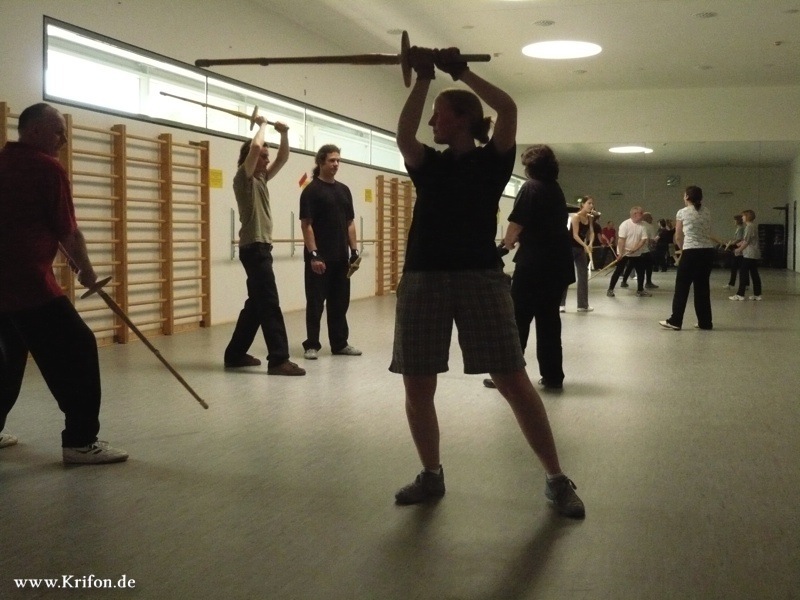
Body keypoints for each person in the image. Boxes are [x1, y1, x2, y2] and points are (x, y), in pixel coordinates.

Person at [389, 46, 584, 518]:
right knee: (418, 385)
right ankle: (431, 473)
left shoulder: (493, 161)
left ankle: (557, 479)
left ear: (461, 119)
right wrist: (423, 78)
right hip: (423, 278)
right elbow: (404, 135)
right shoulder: (429, 164)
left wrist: (461, 71)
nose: (432, 122)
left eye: (439, 113)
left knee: (513, 379)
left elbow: (508, 108)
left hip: (480, 278)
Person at [0, 102, 128, 464]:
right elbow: (68, 231)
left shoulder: (3, 162)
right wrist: (86, 271)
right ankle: (80, 441)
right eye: (58, 131)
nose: (65, 139)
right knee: (78, 347)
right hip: (28, 285)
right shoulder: (47, 168)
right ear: (35, 130)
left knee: (9, 357)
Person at [484, 145, 575, 391]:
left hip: (535, 264)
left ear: (530, 168)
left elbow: (516, 224)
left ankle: (508, 376)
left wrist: (504, 246)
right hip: (557, 264)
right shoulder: (554, 188)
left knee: (517, 319)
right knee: (548, 320)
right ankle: (553, 376)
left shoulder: (531, 187)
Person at [223, 116, 305, 376]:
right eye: (263, 157)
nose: (267, 160)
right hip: (254, 248)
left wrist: (284, 134)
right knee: (269, 303)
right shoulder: (243, 178)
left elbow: (283, 158)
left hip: (261, 248)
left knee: (256, 305)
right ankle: (279, 360)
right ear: (250, 158)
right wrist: (262, 125)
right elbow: (256, 146)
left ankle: (234, 354)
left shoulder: (261, 179)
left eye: (267, 157)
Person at [299, 144, 361, 359]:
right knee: (316, 303)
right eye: (332, 160)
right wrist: (314, 254)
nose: (336, 164)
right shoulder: (311, 190)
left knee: (340, 304)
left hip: (341, 258)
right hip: (320, 259)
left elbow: (350, 223)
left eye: (338, 160)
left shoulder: (344, 190)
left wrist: (354, 250)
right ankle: (312, 345)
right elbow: (306, 225)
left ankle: (340, 343)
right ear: (321, 162)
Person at [659, 186, 716, 331]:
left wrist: (683, 249)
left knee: (682, 287)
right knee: (702, 288)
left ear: (687, 197)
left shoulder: (682, 212)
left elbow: (678, 236)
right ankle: (705, 322)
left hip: (691, 251)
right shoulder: (707, 211)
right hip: (707, 252)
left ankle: (675, 320)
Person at [560, 196, 595, 312]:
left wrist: (590, 243)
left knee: (583, 276)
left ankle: (582, 305)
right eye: (589, 203)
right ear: (583, 204)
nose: (591, 205)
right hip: (569, 248)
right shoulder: (576, 217)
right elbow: (575, 235)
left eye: (592, 203)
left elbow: (592, 232)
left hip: (580, 249)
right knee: (566, 275)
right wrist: (585, 245)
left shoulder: (590, 218)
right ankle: (561, 304)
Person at [606, 206, 650, 297]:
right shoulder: (625, 225)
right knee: (618, 271)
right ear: (635, 214)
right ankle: (610, 289)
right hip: (624, 253)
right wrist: (620, 254)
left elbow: (643, 239)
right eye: (641, 213)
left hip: (636, 253)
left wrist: (635, 249)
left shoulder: (643, 225)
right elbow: (621, 240)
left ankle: (640, 290)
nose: (642, 215)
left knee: (641, 271)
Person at [730, 210, 762, 301]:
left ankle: (740, 294)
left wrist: (738, 249)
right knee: (754, 273)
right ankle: (757, 294)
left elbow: (747, 242)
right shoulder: (753, 226)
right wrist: (737, 244)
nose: (742, 217)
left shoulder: (749, 227)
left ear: (747, 217)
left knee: (743, 273)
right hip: (753, 253)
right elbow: (745, 240)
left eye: (743, 216)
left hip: (749, 254)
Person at [620, 211, 658, 289]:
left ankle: (624, 281)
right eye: (650, 217)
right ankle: (648, 282)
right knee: (648, 266)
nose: (652, 219)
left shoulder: (635, 224)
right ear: (647, 218)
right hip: (644, 250)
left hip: (633, 249)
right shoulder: (649, 226)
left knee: (630, 265)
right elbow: (651, 240)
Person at [726, 214, 745, 289]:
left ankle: (732, 284)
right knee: (737, 268)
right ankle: (732, 283)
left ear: (738, 221)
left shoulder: (740, 229)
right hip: (737, 250)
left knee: (736, 267)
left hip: (739, 250)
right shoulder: (739, 228)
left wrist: (731, 244)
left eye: (735, 220)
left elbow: (739, 239)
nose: (734, 222)